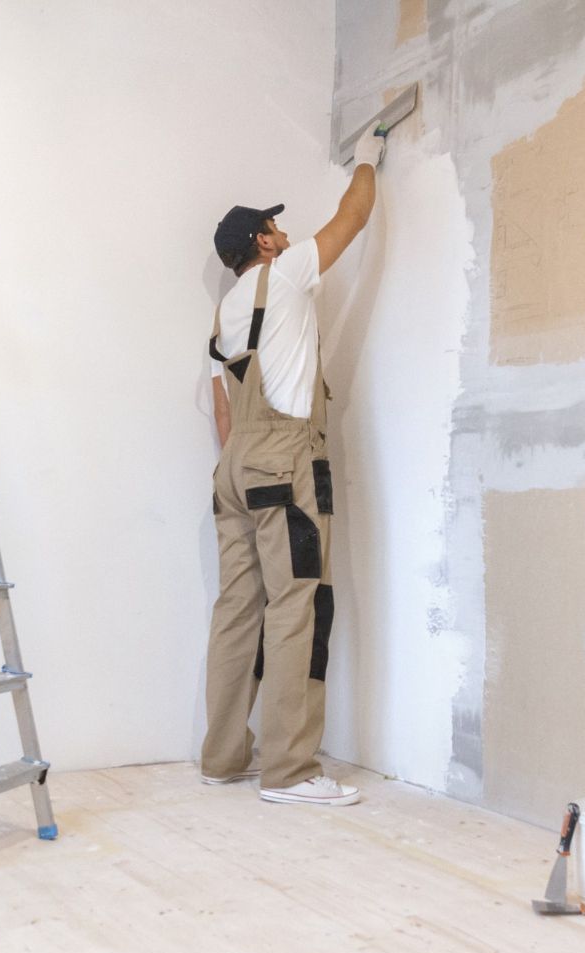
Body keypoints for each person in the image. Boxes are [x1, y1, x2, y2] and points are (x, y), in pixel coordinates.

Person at [199, 125, 387, 805]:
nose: (285, 231)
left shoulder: (221, 316)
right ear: (263, 243)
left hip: (235, 470)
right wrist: (368, 157)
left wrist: (246, 470)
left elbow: (224, 415)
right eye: (275, 227)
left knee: (236, 611)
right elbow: (355, 216)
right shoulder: (285, 276)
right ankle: (290, 771)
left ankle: (223, 755)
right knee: (297, 605)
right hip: (284, 458)